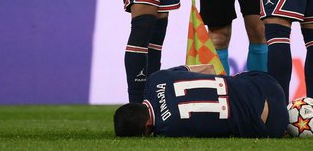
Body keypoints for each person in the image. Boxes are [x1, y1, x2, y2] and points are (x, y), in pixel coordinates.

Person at [113, 64, 288, 138]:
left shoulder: (167, 129)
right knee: (235, 80)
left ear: (146, 128)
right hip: (268, 84)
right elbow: (207, 67)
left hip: (270, 124)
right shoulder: (155, 79)